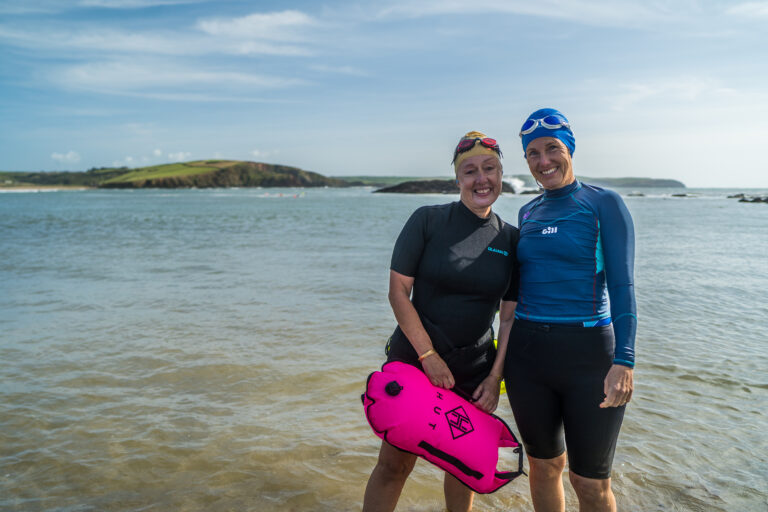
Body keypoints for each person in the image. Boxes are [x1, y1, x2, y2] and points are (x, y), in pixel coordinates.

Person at [362, 131, 520, 512]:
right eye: (470, 171)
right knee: (395, 464)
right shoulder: (428, 221)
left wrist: (495, 377)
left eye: (490, 168)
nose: (481, 179)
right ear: (457, 179)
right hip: (416, 361)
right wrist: (428, 355)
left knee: (464, 468)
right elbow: (398, 292)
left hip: (473, 371)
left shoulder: (512, 239)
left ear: (501, 174)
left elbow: (509, 315)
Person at [503, 108, 637, 512]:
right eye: (533, 154)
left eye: (552, 149)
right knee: (544, 467)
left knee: (590, 480)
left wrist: (625, 359)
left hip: (589, 355)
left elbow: (623, 285)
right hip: (527, 358)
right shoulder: (527, 212)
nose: (543, 161)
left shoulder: (603, 204)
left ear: (570, 149)